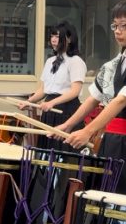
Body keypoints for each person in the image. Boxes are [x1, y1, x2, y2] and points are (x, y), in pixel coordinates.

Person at [59, 0, 126, 199]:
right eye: (115, 25)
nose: (118, 31)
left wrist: (87, 131)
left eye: (124, 25)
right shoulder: (113, 64)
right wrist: (67, 125)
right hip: (111, 139)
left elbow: (120, 101)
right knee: (105, 196)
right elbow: (93, 99)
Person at [21, 21, 86, 149]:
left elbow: (75, 91)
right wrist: (29, 102)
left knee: (62, 151)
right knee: (46, 151)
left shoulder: (76, 61)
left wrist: (52, 103)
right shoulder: (50, 61)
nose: (53, 40)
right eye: (52, 36)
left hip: (67, 110)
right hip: (50, 111)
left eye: (57, 36)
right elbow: (44, 90)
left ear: (69, 39)